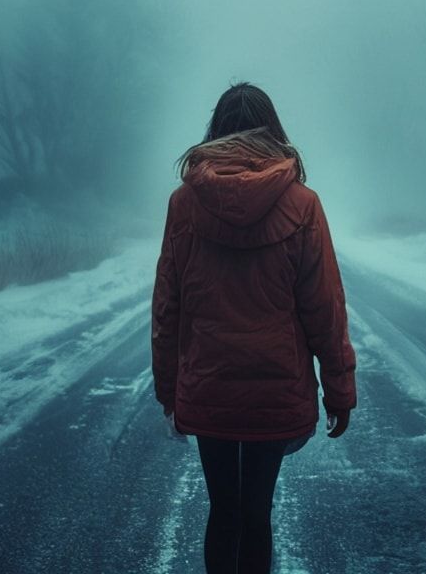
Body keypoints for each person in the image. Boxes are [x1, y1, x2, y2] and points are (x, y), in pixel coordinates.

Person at [151, 82, 357, 574]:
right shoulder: (303, 204)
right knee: (256, 513)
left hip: (208, 383)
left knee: (223, 510)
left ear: (216, 131)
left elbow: (168, 307)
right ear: (273, 130)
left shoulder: (185, 203)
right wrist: (339, 390)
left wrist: (169, 391)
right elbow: (323, 308)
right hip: (275, 385)